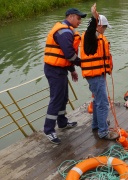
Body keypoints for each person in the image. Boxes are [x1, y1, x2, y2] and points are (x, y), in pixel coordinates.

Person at [43, 8, 87, 144]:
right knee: (56, 99)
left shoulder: (67, 30)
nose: (80, 22)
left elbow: (63, 56)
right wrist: (82, 64)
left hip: (60, 69)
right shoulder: (64, 32)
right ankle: (49, 130)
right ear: (71, 17)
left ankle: (62, 122)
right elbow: (69, 54)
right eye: (79, 18)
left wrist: (72, 69)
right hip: (54, 70)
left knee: (64, 97)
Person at [79, 3, 119, 140]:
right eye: (105, 27)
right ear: (100, 26)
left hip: (97, 75)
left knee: (97, 101)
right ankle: (103, 132)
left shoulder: (98, 36)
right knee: (103, 103)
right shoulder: (91, 36)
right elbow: (91, 32)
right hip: (94, 76)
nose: (106, 30)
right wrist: (93, 17)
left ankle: (96, 125)